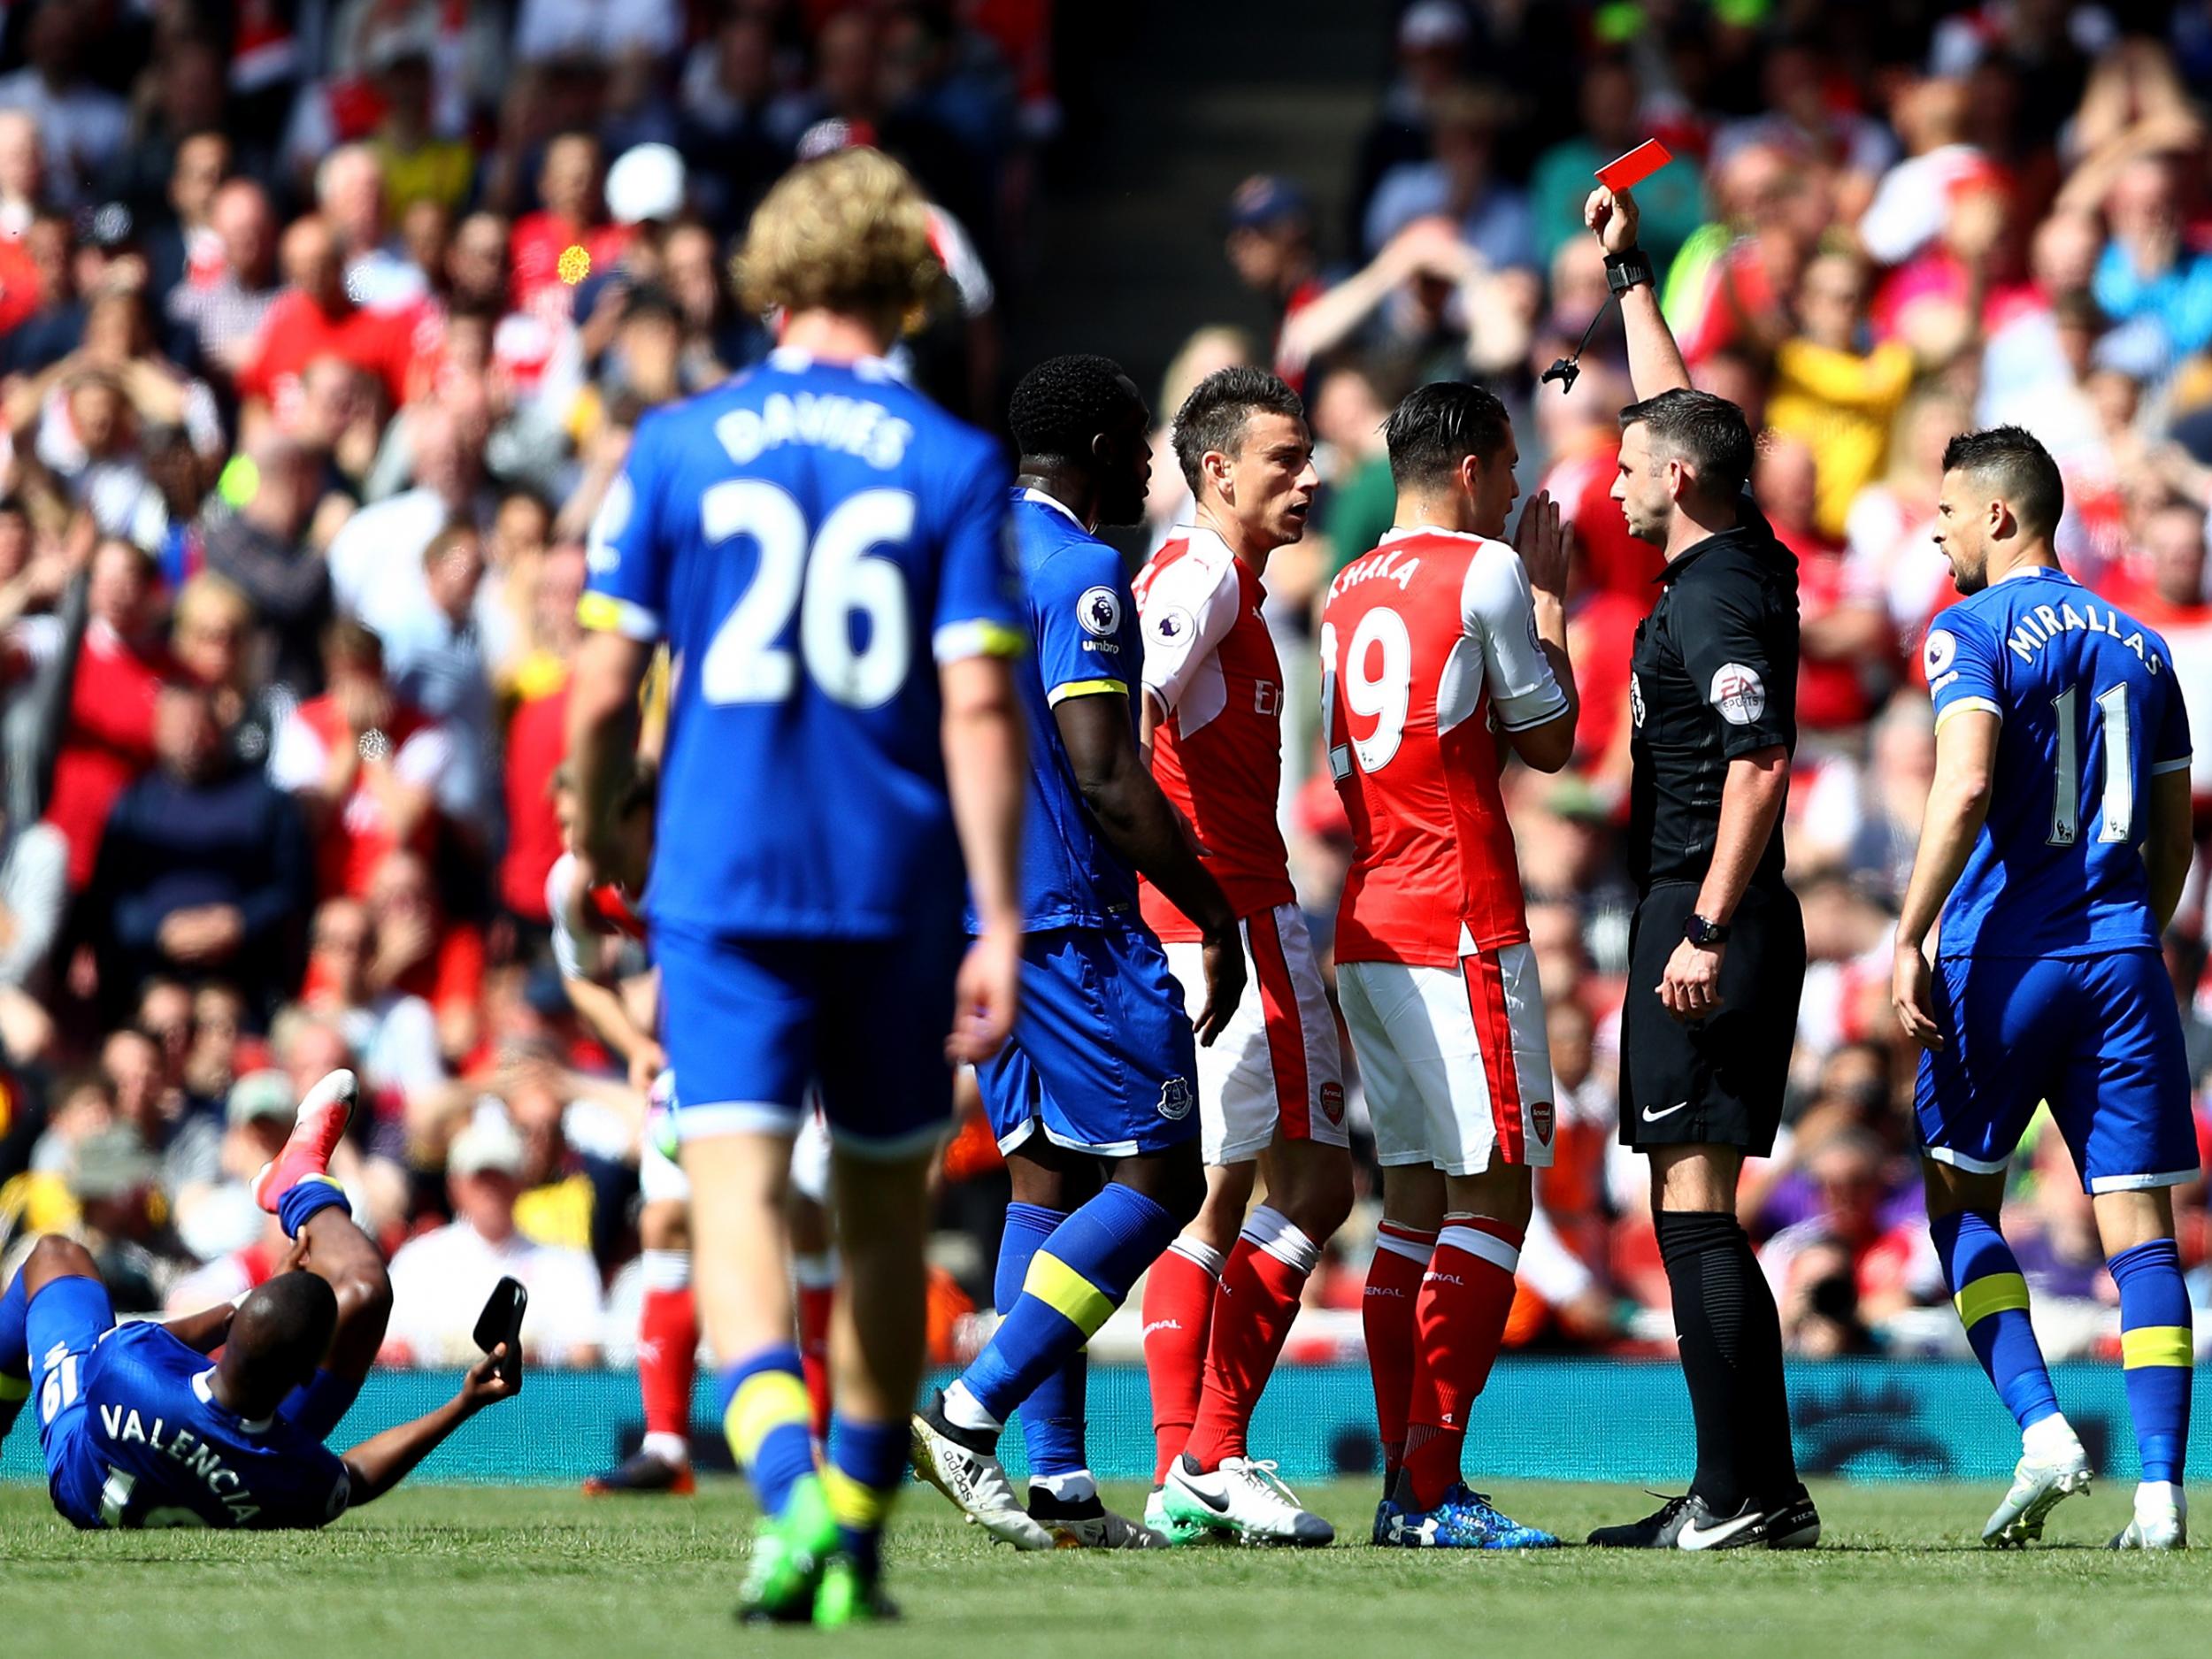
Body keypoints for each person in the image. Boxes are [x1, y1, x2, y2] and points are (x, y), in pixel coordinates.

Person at [565, 146, 1025, 1626]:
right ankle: (862, 1519)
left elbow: (598, 684)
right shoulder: (956, 465)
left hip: (722, 880)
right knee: (885, 1221)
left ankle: (785, 1508)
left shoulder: (679, 445)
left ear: (771, 270)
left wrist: (597, 827)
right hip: (891, 886)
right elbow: (974, 710)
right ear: (906, 281)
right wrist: (1002, 916)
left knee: (736, 1205)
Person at [909, 355, 1240, 1551]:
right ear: (1099, 444)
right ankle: (968, 1406)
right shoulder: (1079, 568)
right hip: (1076, 924)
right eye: (1139, 436)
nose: (1150, 458)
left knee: (1045, 1178)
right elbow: (1104, 772)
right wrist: (1212, 903)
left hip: (976, 914)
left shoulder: (955, 553)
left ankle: (1057, 1482)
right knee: (1163, 1179)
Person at [1890, 426, 2196, 1552]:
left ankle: (2040, 1430)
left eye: (1946, 511)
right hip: (2120, 959)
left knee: (1957, 1203)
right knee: (2142, 1236)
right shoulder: (2147, 648)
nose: (1934, 530)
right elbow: (2174, 840)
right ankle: (2161, 1495)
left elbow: (1965, 782)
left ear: (2001, 517)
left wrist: (1909, 930)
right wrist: (2123, 938)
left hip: (2000, 957)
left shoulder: (1969, 630)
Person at [1579, 184, 1818, 1552]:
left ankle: (1734, 1493)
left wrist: (1706, 923)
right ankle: (1753, 1486)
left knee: (1690, 1202)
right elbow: (1681, 423)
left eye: (1630, 467)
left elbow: (1762, 759)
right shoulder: (1737, 548)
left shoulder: (1719, 593)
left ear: (1675, 486)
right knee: (1691, 1201)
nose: (1611, 480)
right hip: (1701, 903)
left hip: (1706, 908)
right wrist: (1633, 282)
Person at [1321, 380, 1578, 1550]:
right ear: (1470, 465)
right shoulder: (1484, 572)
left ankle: (1400, 1482)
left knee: (1413, 1198)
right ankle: (1433, 1487)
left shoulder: (1343, 585)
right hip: (1460, 917)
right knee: (1497, 1189)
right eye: (1511, 461)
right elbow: (1554, 736)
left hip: (1368, 912)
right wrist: (1553, 599)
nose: (1521, 485)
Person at [1130, 365, 1352, 1548]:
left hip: (1248, 913)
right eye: (1283, 457)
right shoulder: (1199, 569)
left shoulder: (1235, 586)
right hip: (1216, 925)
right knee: (1227, 1191)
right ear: (1216, 470)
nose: (1306, 476)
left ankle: (1195, 1459)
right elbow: (1127, 714)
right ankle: (1198, 1456)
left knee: (1296, 1184)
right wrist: (1185, 905)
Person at [0, 1070, 516, 1529]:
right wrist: (462, 1404)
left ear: (235, 1332)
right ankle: (296, 1180)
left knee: (54, 1253)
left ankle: (297, 1187)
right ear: (304, 1372)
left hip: (82, 1466)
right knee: (367, 1297)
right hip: (242, 1462)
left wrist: (240, 1306)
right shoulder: (293, 1471)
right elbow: (353, 1478)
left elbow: (143, 1346)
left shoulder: (129, 1372)